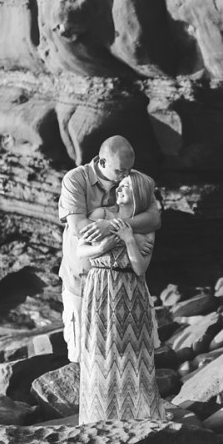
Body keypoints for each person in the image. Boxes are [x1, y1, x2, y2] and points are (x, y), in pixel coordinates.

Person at [57, 135, 161, 364]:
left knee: (125, 354)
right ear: (102, 162)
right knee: (83, 353)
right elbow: (80, 229)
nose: (125, 176)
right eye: (120, 171)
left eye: (129, 170)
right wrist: (122, 231)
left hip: (122, 286)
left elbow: (154, 219)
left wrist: (112, 227)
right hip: (81, 281)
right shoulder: (76, 179)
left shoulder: (133, 180)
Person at [75, 170, 166, 423]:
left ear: (138, 192)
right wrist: (102, 247)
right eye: (120, 184)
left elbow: (140, 268)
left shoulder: (146, 229)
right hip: (99, 286)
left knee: (133, 355)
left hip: (131, 290)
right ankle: (98, 417)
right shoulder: (101, 215)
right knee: (99, 352)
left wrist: (128, 240)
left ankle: (137, 418)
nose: (119, 188)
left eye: (126, 186)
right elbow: (80, 248)